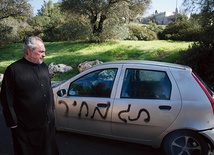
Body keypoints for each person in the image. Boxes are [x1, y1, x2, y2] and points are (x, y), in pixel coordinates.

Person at [0, 36, 59, 155]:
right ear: (29, 51)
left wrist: (51, 112)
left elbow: (48, 90)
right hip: (26, 129)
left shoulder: (44, 66)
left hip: (47, 125)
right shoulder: (13, 70)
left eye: (44, 51)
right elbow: (7, 100)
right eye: (41, 52)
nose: (44, 55)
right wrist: (14, 124)